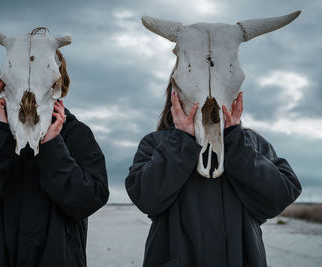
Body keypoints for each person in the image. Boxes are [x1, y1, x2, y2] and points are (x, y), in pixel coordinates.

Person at [125, 85, 302, 267]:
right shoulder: (156, 143)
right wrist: (181, 141)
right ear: (175, 96)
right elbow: (146, 198)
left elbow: (279, 197)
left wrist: (234, 142)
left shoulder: (250, 143)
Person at [0, 78, 109, 266]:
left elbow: (89, 200)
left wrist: (52, 146)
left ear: (57, 87)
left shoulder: (76, 133)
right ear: (3, 86)